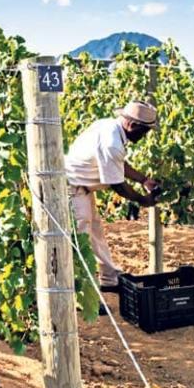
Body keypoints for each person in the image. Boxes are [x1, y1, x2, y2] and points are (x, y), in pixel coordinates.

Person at [65, 101, 161, 300]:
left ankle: (109, 279)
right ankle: (86, 294)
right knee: (80, 241)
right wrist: (144, 200)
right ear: (133, 126)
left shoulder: (110, 127)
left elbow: (119, 164)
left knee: (96, 234)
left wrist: (143, 180)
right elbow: (118, 185)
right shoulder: (112, 142)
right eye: (144, 132)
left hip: (83, 188)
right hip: (72, 189)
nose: (144, 137)